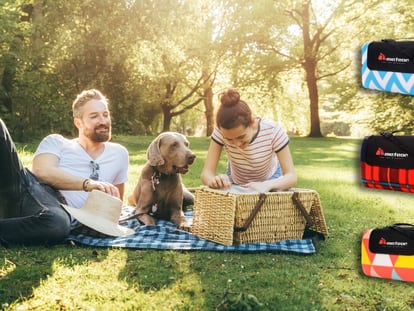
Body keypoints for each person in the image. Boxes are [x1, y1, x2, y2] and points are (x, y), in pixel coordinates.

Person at [0, 89, 129, 245]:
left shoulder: (120, 154)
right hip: (30, 190)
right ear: (78, 122)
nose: (103, 121)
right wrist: (88, 184)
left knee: (57, 224)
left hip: (57, 216)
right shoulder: (57, 142)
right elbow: (42, 171)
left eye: (105, 114)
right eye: (94, 116)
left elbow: (116, 201)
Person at [201, 88, 297, 193]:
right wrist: (214, 181)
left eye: (241, 137)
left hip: (271, 179)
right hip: (235, 180)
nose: (236, 144)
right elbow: (206, 173)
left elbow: (291, 176)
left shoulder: (273, 131)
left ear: (253, 123)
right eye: (229, 139)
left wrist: (267, 185)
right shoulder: (220, 132)